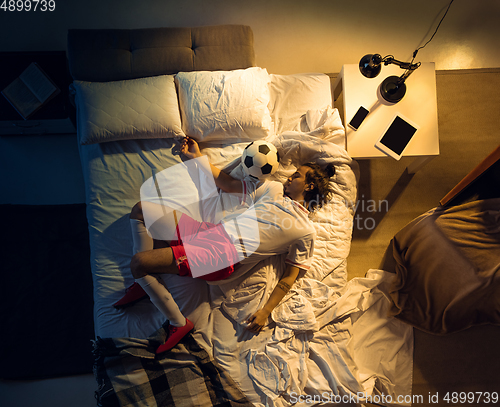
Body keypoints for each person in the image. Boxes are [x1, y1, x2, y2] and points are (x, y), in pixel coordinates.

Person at [115, 137, 335, 354]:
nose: (289, 177)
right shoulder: (273, 189)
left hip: (220, 255)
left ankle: (179, 323)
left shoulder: (305, 230)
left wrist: (266, 311)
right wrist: (196, 157)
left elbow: (289, 276)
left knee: (138, 263)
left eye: (296, 176)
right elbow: (228, 184)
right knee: (140, 210)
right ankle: (143, 282)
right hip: (209, 232)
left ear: (309, 185)